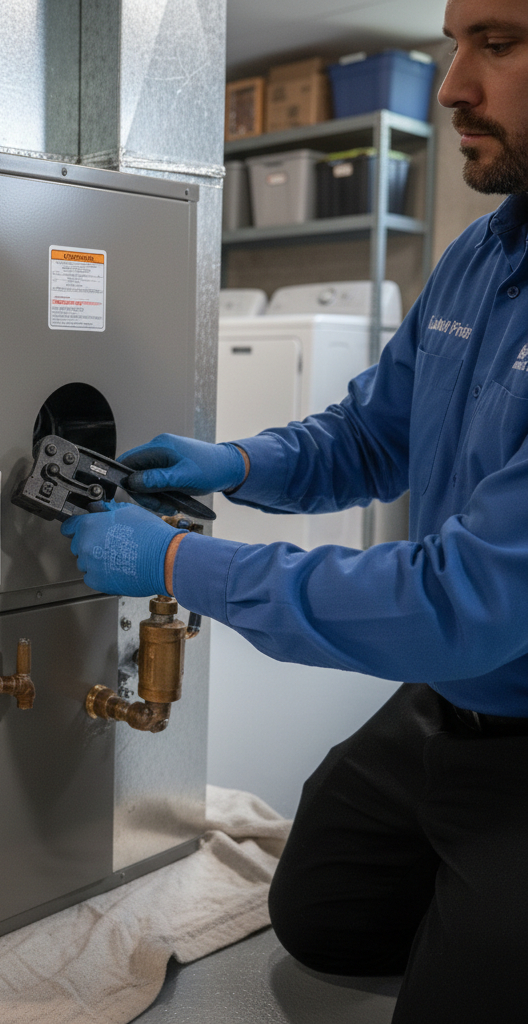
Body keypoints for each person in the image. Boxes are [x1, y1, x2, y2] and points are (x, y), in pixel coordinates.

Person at [60, 0, 528, 1019]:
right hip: (451, 698)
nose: (451, 84)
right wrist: (234, 460)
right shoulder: (483, 258)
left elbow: (465, 598)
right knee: (319, 912)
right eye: (455, 44)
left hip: (508, 682)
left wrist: (177, 567)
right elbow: (371, 435)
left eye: (497, 43)